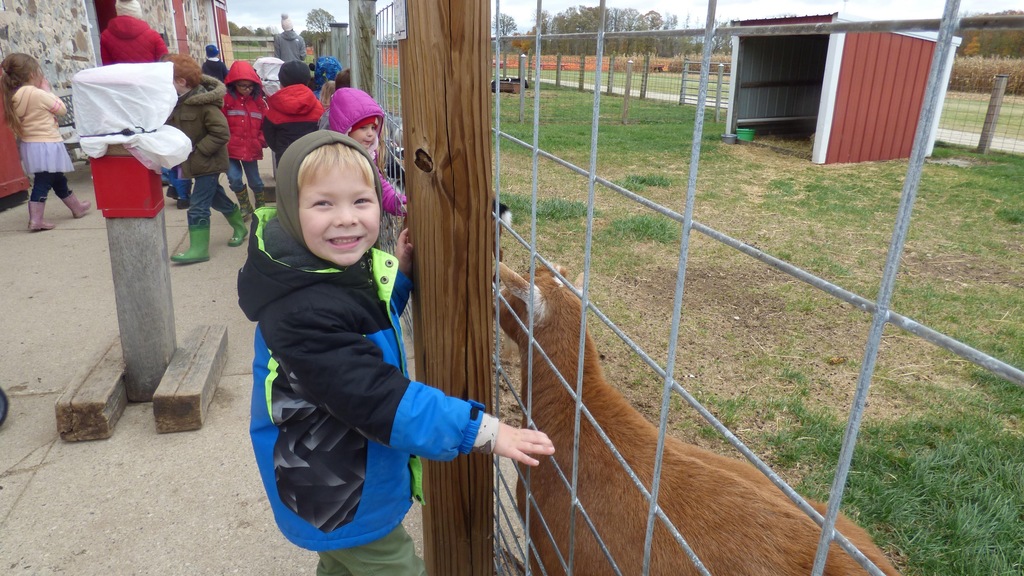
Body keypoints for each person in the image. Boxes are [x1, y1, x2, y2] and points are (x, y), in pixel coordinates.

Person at [236, 130, 554, 575]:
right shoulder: (300, 313)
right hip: (338, 490)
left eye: (361, 201)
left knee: (342, 566)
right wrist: (480, 430)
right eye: (323, 204)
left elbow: (358, 323)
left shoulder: (316, 272)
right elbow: (377, 396)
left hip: (328, 474)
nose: (346, 218)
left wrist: (400, 279)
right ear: (290, 209)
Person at [164, 54, 248, 264]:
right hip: (194, 163)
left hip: (208, 163)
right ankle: (240, 226)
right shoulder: (177, 102)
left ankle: (199, 249)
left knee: (198, 206)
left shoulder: (204, 103)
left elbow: (221, 133)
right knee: (216, 198)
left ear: (181, 82)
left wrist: (198, 151)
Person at [1, 53, 90, 231]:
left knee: (57, 178)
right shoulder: (37, 94)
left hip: (31, 144)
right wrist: (47, 90)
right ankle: (36, 220)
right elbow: (61, 109)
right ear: (32, 74)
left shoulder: (13, 96)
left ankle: (76, 207)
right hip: (47, 143)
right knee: (43, 181)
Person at [328, 87, 407, 216]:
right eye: (363, 127)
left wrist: (400, 203)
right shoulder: (330, 161)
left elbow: (381, 188)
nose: (370, 133)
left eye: (373, 127)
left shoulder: (367, 158)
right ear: (347, 130)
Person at [222, 60, 269, 220]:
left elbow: (266, 125)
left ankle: (261, 206)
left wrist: (260, 141)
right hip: (230, 149)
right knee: (234, 178)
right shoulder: (225, 102)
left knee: (255, 181)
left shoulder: (259, 103)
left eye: (250, 86)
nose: (247, 89)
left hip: (251, 148)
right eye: (243, 86)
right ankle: (245, 205)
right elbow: (219, 123)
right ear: (233, 84)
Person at [262, 60, 322, 168]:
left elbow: (269, 135)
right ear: (307, 80)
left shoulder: (274, 107)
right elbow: (322, 130)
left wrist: (280, 148)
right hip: (312, 159)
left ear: (281, 83)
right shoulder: (317, 105)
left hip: (285, 159)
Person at [99, 0, 168, 64]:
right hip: (150, 73)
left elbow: (107, 67)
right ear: (137, 13)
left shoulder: (105, 37)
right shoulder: (154, 36)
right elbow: (166, 65)